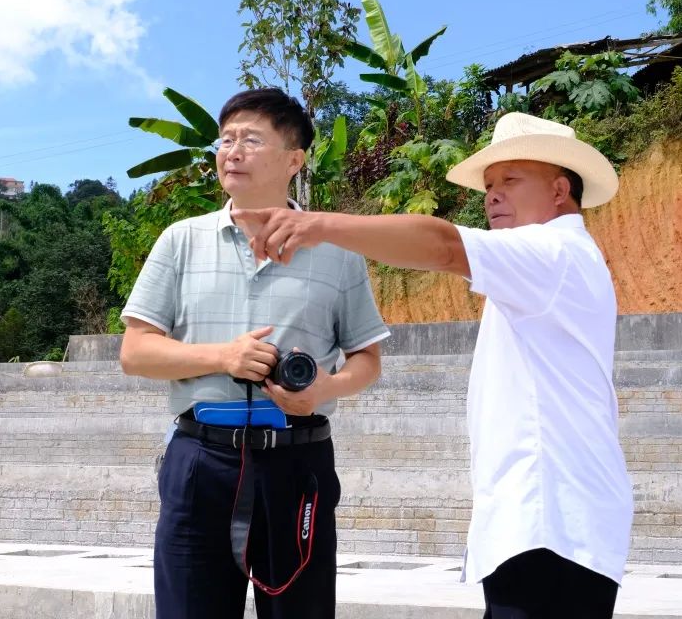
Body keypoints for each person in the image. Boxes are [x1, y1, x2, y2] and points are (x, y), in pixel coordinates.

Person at [233, 112, 633, 619]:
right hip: (552, 524)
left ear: (559, 191)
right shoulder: (554, 259)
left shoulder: (551, 251)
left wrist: (317, 225)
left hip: (551, 525)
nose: (492, 195)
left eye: (510, 180)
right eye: (489, 184)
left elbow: (444, 246)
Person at [119, 87, 390, 619]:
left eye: (250, 139)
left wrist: (323, 390)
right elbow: (136, 352)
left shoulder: (336, 251)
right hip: (201, 460)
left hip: (298, 462)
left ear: (295, 158)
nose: (231, 151)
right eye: (225, 140)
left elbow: (367, 360)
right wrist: (224, 357)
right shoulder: (181, 241)